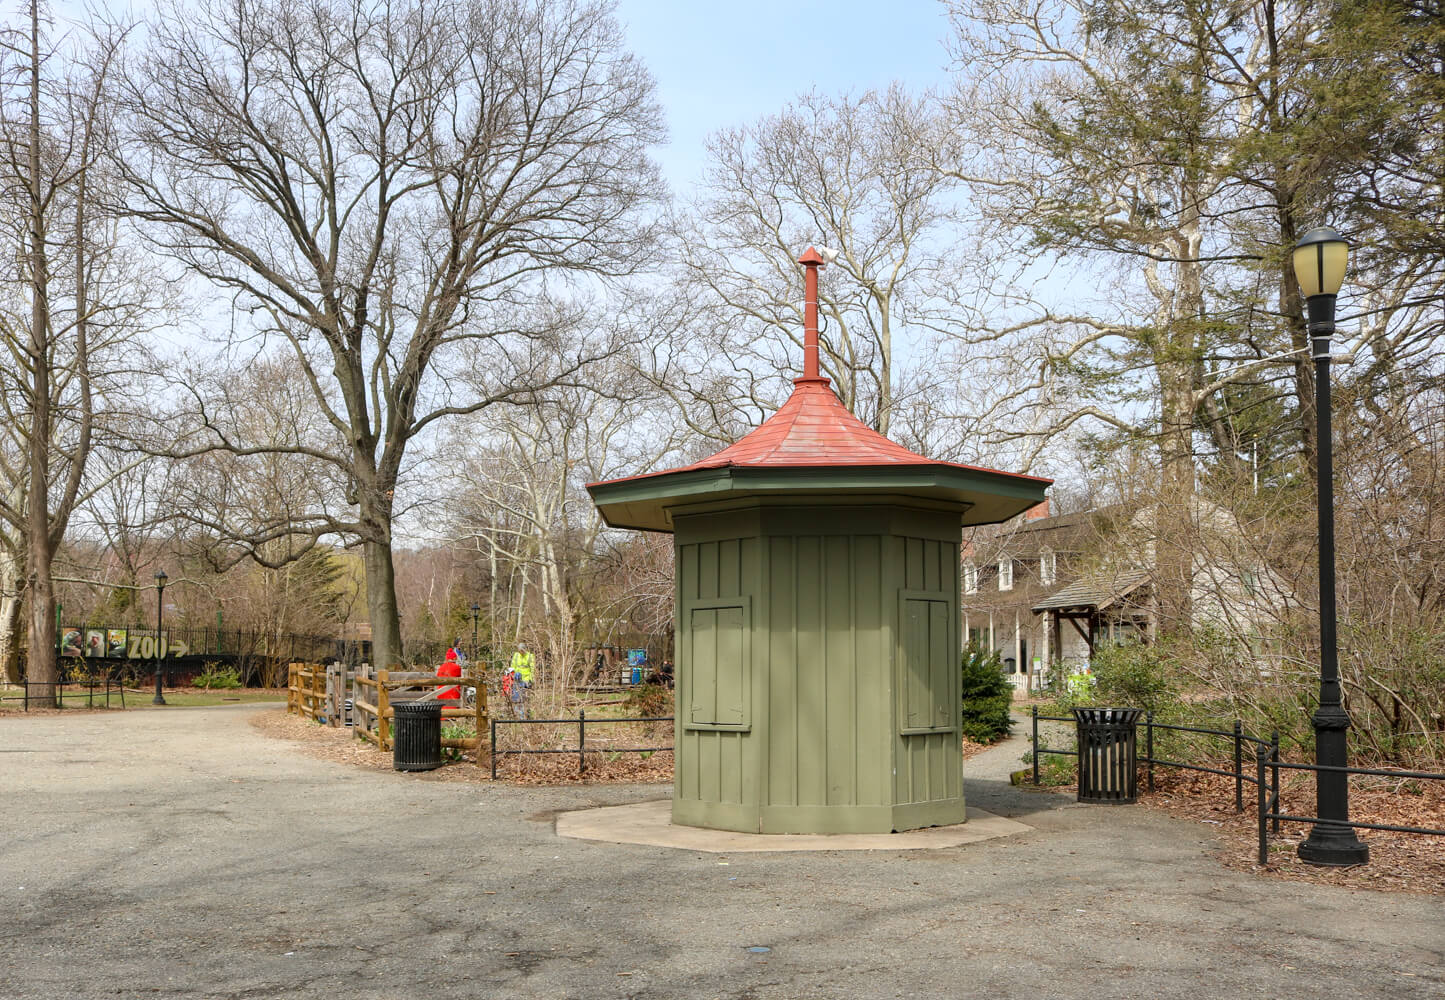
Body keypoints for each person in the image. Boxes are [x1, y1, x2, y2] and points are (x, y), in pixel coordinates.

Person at [506, 642, 534, 718]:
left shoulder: (530, 656)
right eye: (519, 651)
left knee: (525, 699)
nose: (520, 652)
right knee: (516, 698)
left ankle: (527, 714)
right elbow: (512, 666)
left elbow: (532, 669)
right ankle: (517, 715)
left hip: (526, 680)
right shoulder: (516, 655)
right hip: (517, 680)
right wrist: (511, 676)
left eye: (522, 650)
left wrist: (530, 680)